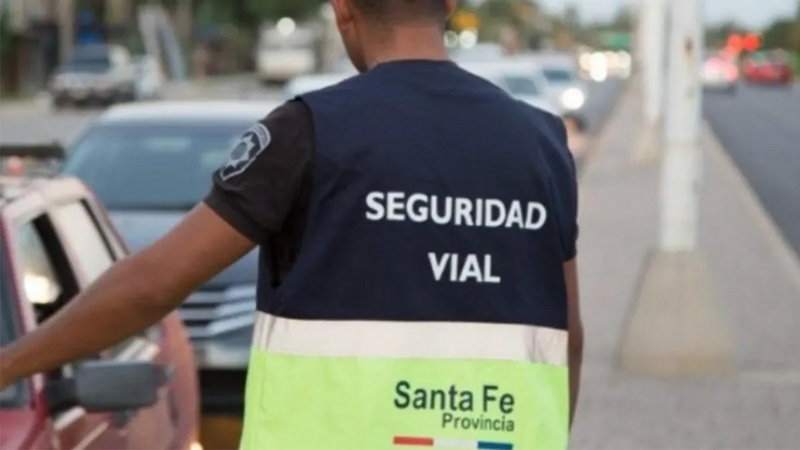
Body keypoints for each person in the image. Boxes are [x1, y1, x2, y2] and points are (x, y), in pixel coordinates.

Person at [0, 0, 583, 448]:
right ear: (449, 4)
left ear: (343, 8)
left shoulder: (310, 131)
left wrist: (9, 363)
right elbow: (569, 338)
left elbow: (152, 285)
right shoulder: (541, 143)